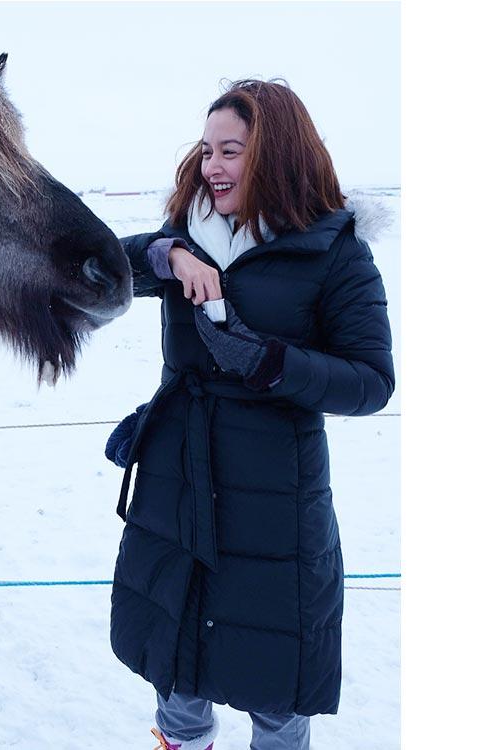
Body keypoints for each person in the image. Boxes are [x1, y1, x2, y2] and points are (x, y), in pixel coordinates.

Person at [105, 79, 394, 750]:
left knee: (274, 689)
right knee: (176, 674)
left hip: (274, 505)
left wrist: (272, 363)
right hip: (176, 483)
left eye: (229, 150)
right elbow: (100, 269)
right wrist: (165, 253)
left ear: (277, 153)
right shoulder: (188, 233)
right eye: (206, 150)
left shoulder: (336, 254)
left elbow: (372, 381)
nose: (212, 167)